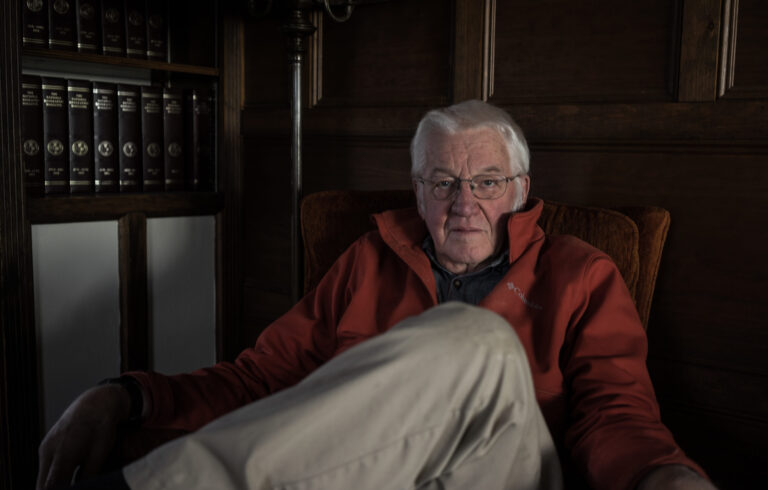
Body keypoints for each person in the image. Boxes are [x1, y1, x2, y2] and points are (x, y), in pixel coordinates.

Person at [38, 100, 716, 490]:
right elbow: (262, 379)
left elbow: (614, 412)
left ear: (520, 189)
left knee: (477, 339)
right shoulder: (366, 261)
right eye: (441, 182)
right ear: (417, 191)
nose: (463, 204)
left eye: (485, 182)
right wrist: (127, 393)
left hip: (506, 476)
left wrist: (663, 475)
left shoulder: (582, 272)